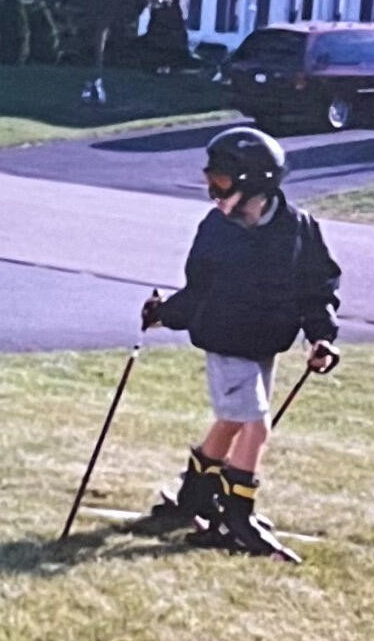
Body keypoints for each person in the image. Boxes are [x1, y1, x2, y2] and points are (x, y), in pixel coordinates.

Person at [140, 126, 341, 562]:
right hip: (226, 338)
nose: (213, 192)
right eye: (210, 181)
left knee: (233, 420)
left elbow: (315, 287)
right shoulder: (216, 229)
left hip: (265, 342)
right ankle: (237, 518)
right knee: (255, 424)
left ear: (255, 180)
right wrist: (163, 314)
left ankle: (194, 496)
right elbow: (198, 291)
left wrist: (322, 335)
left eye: (222, 182)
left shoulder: (298, 228)